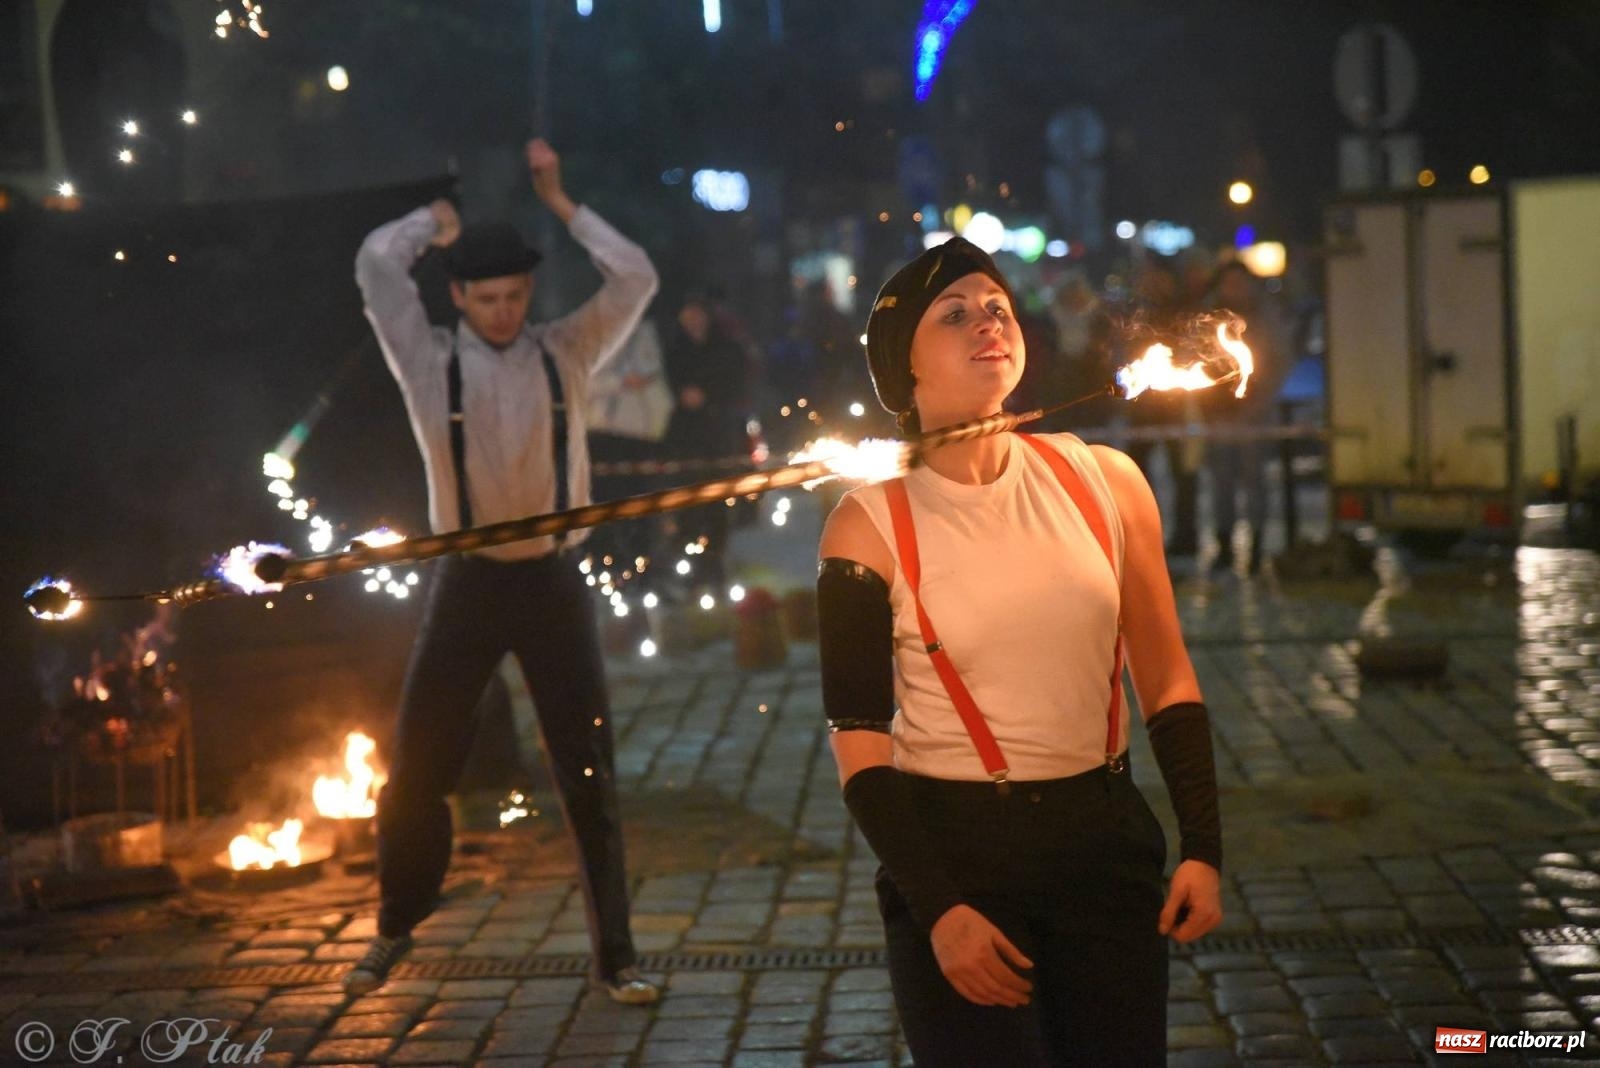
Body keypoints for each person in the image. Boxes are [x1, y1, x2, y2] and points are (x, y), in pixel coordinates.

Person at [817, 237, 1223, 1065]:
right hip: (961, 861)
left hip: (1105, 847)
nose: (987, 324)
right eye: (955, 315)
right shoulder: (869, 523)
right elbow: (859, 745)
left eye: (998, 307)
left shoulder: (1106, 480)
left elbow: (1167, 675)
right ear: (906, 367)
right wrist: (941, 910)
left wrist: (1203, 845)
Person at [348, 138, 661, 1004]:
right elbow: (377, 263)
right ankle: (395, 927)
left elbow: (636, 277)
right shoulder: (425, 358)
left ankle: (619, 958)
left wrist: (563, 204)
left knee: (588, 771)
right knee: (416, 769)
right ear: (458, 297)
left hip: (553, 586)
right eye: (486, 298)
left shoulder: (567, 348)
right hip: (469, 585)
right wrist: (434, 222)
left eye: (516, 295)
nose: (502, 312)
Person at [1205, 260, 1293, 574]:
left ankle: (1256, 547)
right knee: (1222, 483)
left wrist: (1260, 400)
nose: (1234, 289)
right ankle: (1225, 545)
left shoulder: (1263, 316)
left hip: (1255, 415)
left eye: (1239, 282)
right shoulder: (1210, 317)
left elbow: (1279, 359)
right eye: (1228, 282)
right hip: (1218, 415)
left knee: (1255, 481)